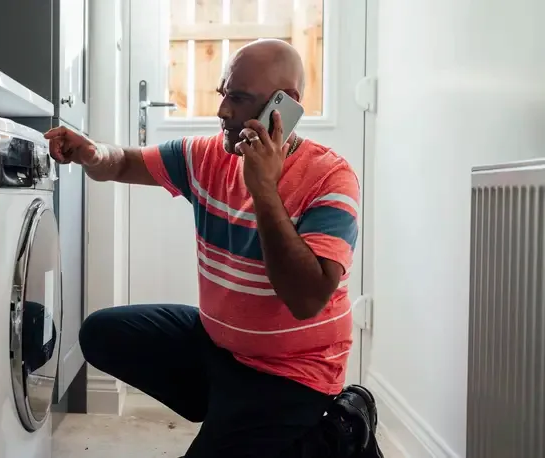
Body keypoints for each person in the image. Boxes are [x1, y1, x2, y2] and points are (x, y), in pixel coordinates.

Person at [45, 39, 384, 458]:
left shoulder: (330, 178)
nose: (222, 111)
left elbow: (306, 299)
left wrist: (263, 188)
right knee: (101, 334)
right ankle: (231, 410)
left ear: (285, 105)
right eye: (223, 94)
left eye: (238, 99)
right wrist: (94, 153)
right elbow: (123, 162)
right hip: (221, 350)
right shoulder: (207, 156)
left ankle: (328, 435)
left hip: (295, 375)